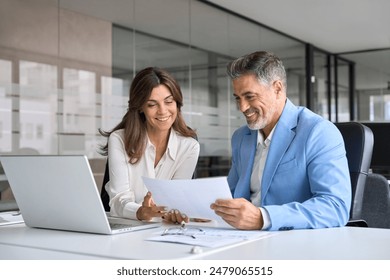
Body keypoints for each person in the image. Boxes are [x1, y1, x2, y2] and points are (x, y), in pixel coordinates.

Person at [210, 51, 351, 231]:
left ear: (277, 89)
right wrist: (190, 211)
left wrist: (264, 218)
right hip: (241, 238)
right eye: (238, 98)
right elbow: (229, 196)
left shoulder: (318, 132)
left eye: (250, 96)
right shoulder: (241, 137)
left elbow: (335, 206)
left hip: (293, 241)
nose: (242, 107)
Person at [99, 67, 200, 223]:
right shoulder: (119, 139)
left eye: (169, 102)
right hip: (124, 227)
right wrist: (140, 212)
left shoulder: (190, 146)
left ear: (177, 103)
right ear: (140, 107)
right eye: (152, 105)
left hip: (162, 230)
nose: (163, 111)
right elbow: (118, 200)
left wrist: (187, 211)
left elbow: (176, 202)